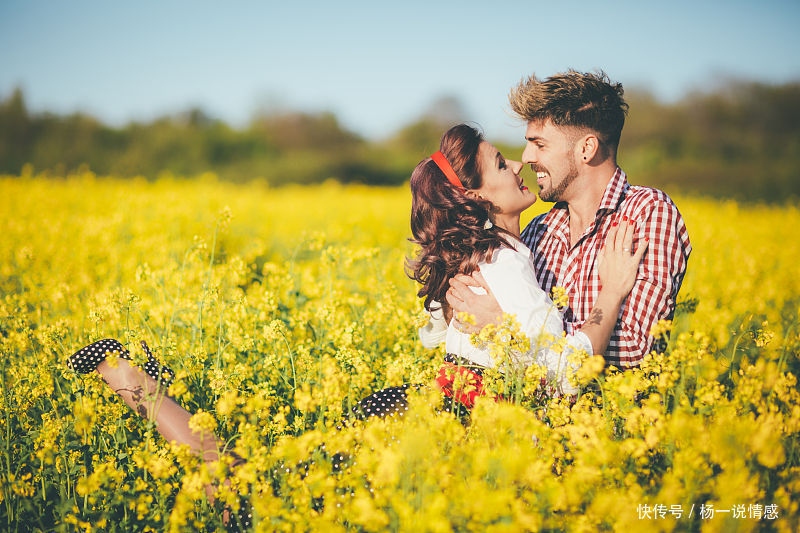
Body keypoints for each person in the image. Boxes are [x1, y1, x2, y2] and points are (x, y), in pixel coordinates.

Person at [66, 123, 645, 529]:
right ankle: (137, 384)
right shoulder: (506, 259)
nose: (518, 164)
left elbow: (448, 340)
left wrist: (499, 333)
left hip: (410, 408)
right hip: (444, 431)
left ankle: (138, 384)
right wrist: (613, 294)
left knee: (255, 490)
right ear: (473, 194)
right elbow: (570, 371)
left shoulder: (464, 259)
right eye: (500, 163)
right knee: (255, 499)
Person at [446, 71, 691, 369]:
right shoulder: (538, 231)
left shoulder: (648, 214)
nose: (526, 156)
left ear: (586, 149)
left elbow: (635, 346)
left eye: (540, 144)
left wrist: (506, 329)